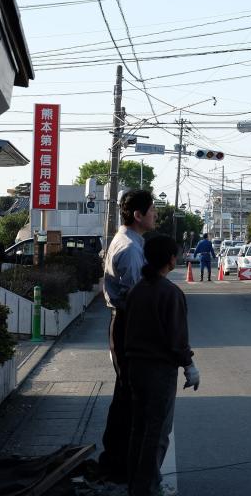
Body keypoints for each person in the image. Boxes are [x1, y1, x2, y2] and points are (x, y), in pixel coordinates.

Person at [125, 235, 200, 496]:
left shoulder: (137, 290)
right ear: (171, 259)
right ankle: (146, 488)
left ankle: (135, 483)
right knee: (157, 432)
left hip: (134, 366)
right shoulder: (170, 293)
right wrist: (189, 366)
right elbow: (177, 339)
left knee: (139, 427)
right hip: (159, 370)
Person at [99, 190, 157, 484]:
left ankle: (115, 461)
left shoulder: (129, 240)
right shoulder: (131, 248)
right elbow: (138, 297)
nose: (155, 214)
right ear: (137, 215)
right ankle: (117, 463)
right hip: (127, 323)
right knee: (129, 394)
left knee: (125, 393)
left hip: (122, 322)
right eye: (152, 209)